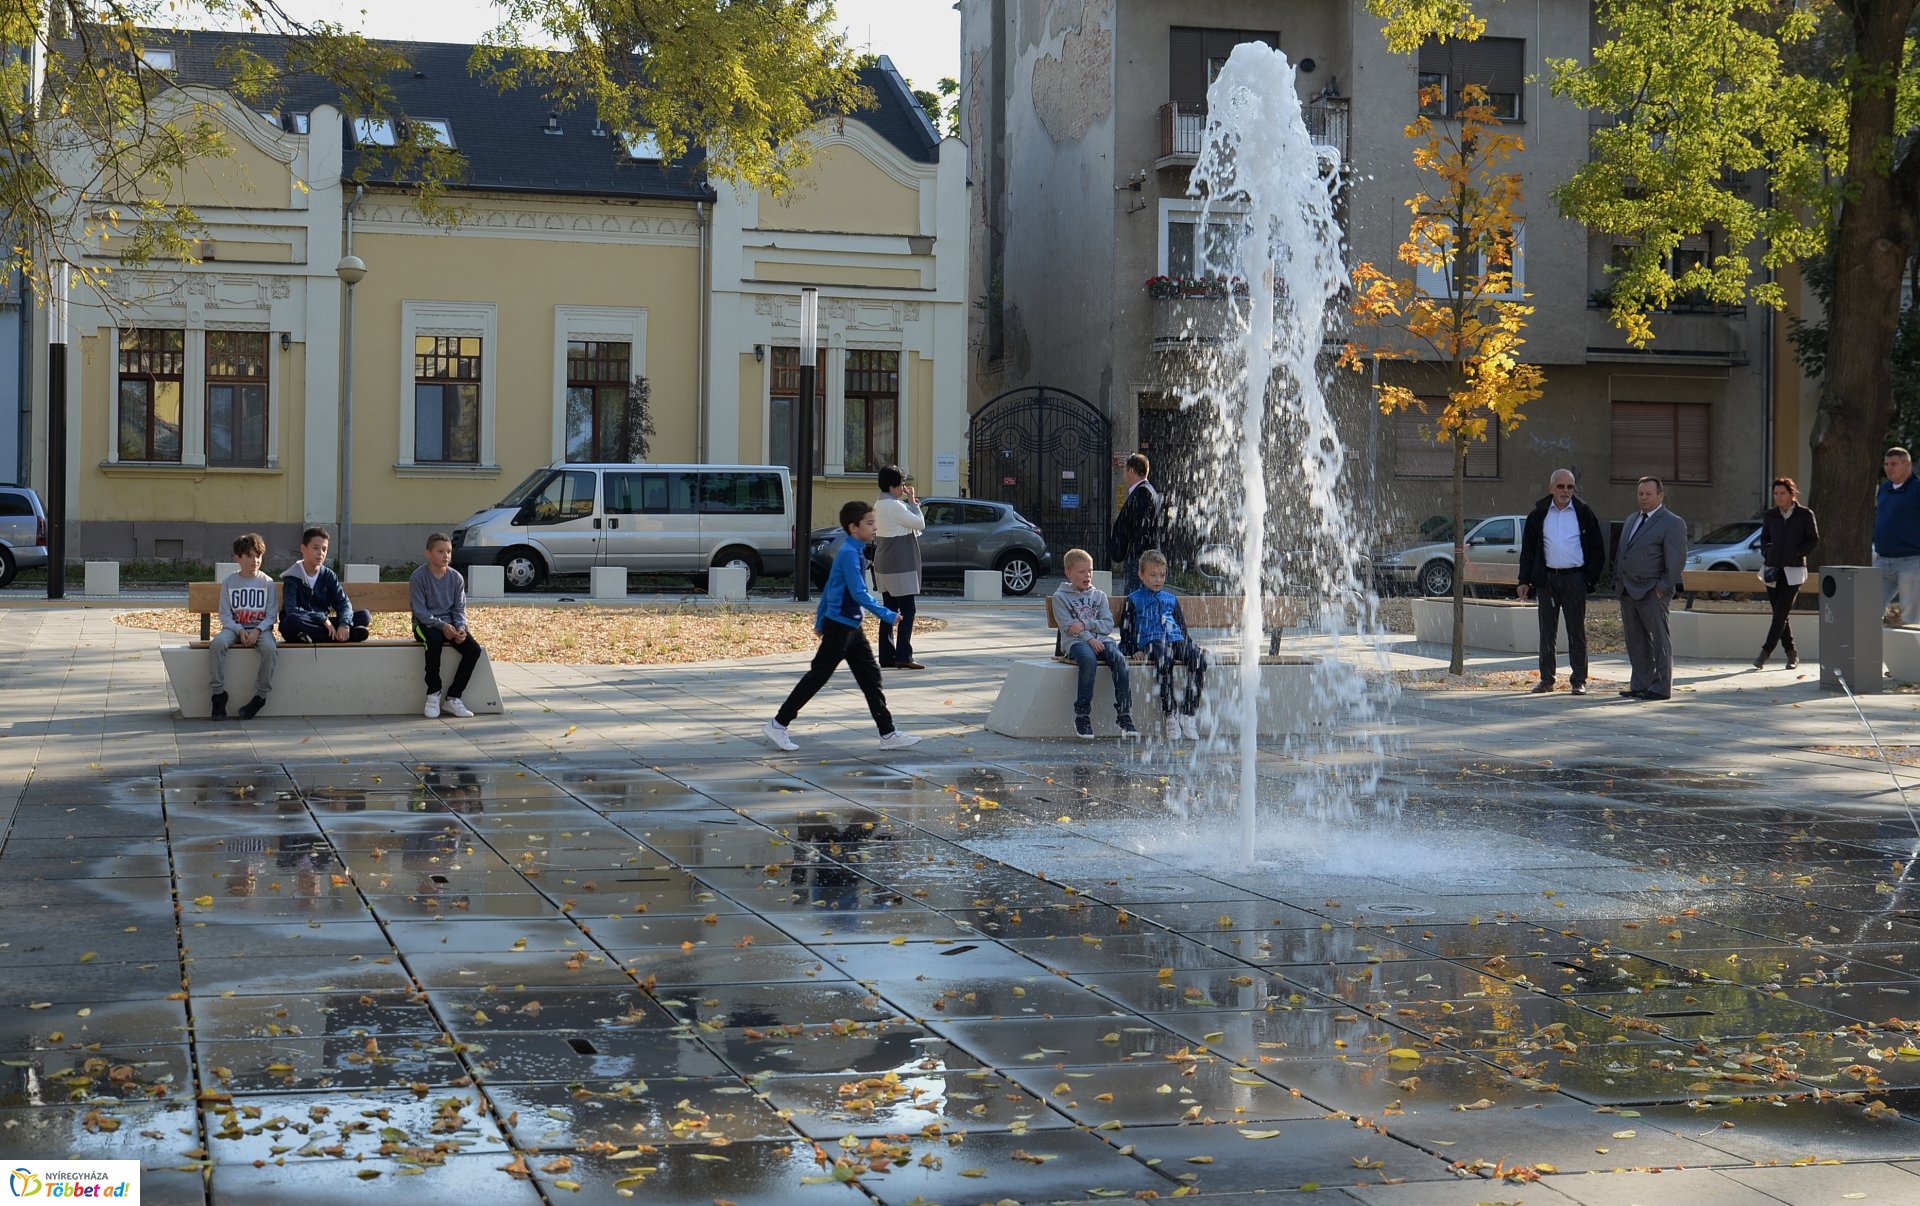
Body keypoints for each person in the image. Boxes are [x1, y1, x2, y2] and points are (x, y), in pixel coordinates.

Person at [765, 500, 922, 752]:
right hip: (840, 627)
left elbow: (830, 588)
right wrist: (887, 614)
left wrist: (819, 621)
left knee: (871, 678)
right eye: (869, 523)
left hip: (851, 627)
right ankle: (778, 724)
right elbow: (859, 593)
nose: (874, 527)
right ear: (853, 527)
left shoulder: (853, 550)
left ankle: (888, 733)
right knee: (817, 677)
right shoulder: (849, 554)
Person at [1517, 469, 1606, 696]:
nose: (1565, 491)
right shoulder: (1538, 515)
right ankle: (1547, 679)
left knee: (1577, 631)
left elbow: (1597, 549)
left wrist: (1588, 579)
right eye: (1560, 486)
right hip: (1547, 580)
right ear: (1551, 488)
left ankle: (1579, 680)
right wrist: (1524, 580)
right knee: (1547, 632)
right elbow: (1528, 551)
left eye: (1569, 487)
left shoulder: (1584, 513)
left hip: (1575, 579)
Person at [1054, 547, 1140, 740]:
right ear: (1069, 573)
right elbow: (1069, 628)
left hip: (1101, 640)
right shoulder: (1061, 597)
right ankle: (1082, 715)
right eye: (1082, 571)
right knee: (1089, 660)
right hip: (1076, 643)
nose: (1087, 575)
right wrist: (1089, 637)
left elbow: (1107, 624)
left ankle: (1124, 714)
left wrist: (1085, 623)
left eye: (1090, 570)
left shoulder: (1099, 596)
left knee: (1118, 659)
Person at [1615, 476, 1688, 701]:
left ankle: (1660, 687)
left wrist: (1662, 588)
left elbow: (1676, 561)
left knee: (1659, 639)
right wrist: (1619, 582)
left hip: (1652, 590)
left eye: (1648, 494)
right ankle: (1640, 684)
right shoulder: (1631, 519)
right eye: (1640, 494)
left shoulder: (1672, 522)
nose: (1644, 498)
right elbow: (1623, 553)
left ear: (1660, 495)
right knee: (1635, 640)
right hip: (1628, 589)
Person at [1121, 549, 1206, 740]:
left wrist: (1192, 646)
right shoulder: (1133, 600)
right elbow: (1126, 630)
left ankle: (1188, 713)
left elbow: (1181, 629)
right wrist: (1134, 649)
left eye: (1162, 575)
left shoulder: (1171, 599)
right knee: (1164, 659)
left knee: (1198, 659)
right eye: (1152, 575)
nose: (1158, 579)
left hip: (1175, 639)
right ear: (1140, 575)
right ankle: (1170, 714)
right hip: (1152, 641)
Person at [411, 532, 485, 719]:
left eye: (449, 551)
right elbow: (420, 612)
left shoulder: (456, 578)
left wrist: (461, 628)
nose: (446, 556)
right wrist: (442, 626)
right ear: (428, 554)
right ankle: (433, 694)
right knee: (434, 641)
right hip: (425, 625)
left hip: (450, 627)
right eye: (440, 551)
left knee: (473, 650)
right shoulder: (419, 576)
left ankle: (453, 698)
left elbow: (459, 609)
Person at [209, 532, 276, 721]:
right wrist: (239, 630)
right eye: (249, 556)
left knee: (270, 648)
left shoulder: (267, 583)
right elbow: (225, 615)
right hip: (234, 629)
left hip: (260, 630)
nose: (255, 560)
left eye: (258, 556)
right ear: (237, 558)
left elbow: (271, 615)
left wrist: (257, 630)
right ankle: (218, 695)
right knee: (217, 644)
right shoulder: (229, 582)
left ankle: (260, 696)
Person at [1754, 477, 1819, 670]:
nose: (1778, 497)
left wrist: (1797, 553)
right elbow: (1764, 538)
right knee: (1780, 615)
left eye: (1782, 493)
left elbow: (1813, 540)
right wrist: (1767, 552)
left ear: (1792, 494)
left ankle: (1764, 653)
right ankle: (1792, 654)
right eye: (1776, 494)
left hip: (1794, 570)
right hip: (1772, 570)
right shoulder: (1770, 515)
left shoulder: (1805, 514)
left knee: (1781, 613)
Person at [873, 465, 926, 670]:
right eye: (901, 485)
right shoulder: (896, 506)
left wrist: (909, 504)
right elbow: (919, 524)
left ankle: (886, 656)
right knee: (908, 609)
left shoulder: (878, 505)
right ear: (892, 486)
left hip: (883, 563)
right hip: (900, 564)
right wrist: (913, 503)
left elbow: (909, 524)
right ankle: (903, 655)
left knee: (888, 610)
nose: (903, 488)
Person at [279, 527, 369, 644]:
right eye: (315, 548)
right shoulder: (292, 577)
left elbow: (343, 603)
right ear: (303, 549)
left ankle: (329, 634)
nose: (320, 553)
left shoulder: (328, 575)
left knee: (364, 616)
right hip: (302, 622)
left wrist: (344, 624)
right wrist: (322, 619)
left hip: (319, 625)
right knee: (292, 620)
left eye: (324, 549)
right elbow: (292, 610)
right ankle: (348, 636)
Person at [1875, 447, 1920, 626]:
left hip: (1912, 561)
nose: (1888, 468)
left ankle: (1913, 654)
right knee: (1869, 609)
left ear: (1907, 464)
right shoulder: (1884, 488)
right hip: (1882, 560)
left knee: (1911, 616)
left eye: (1894, 464)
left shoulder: (1917, 489)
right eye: (1886, 464)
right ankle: (1871, 652)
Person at [1107, 452, 1160, 595]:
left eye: (1125, 470)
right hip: (1141, 556)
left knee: (1134, 597)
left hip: (1139, 558)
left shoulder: (1143, 492)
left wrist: (1134, 552)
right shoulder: (1145, 490)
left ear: (1131, 471)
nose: (1124, 475)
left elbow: (1141, 527)